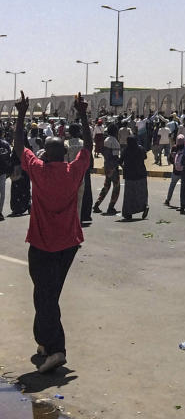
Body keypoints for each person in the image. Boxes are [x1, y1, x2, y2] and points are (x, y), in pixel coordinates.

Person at [14, 92, 90, 374]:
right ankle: (45, 342)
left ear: (46, 154)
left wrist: (22, 114)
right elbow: (88, 148)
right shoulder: (73, 171)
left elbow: (19, 146)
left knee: (44, 297)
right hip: (68, 244)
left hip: (43, 244)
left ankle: (56, 349)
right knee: (47, 294)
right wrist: (82, 113)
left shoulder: (39, 171)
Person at [93, 124, 121, 215]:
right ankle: (111, 207)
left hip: (106, 166)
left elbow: (104, 153)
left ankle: (97, 204)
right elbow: (115, 157)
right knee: (116, 187)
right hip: (113, 167)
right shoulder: (114, 141)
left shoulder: (106, 140)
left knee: (106, 186)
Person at [120, 135, 149, 221]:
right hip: (141, 175)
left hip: (129, 176)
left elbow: (120, 161)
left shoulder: (126, 150)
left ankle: (128, 213)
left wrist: (123, 167)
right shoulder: (141, 149)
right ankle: (144, 206)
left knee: (129, 195)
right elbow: (145, 157)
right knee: (141, 193)